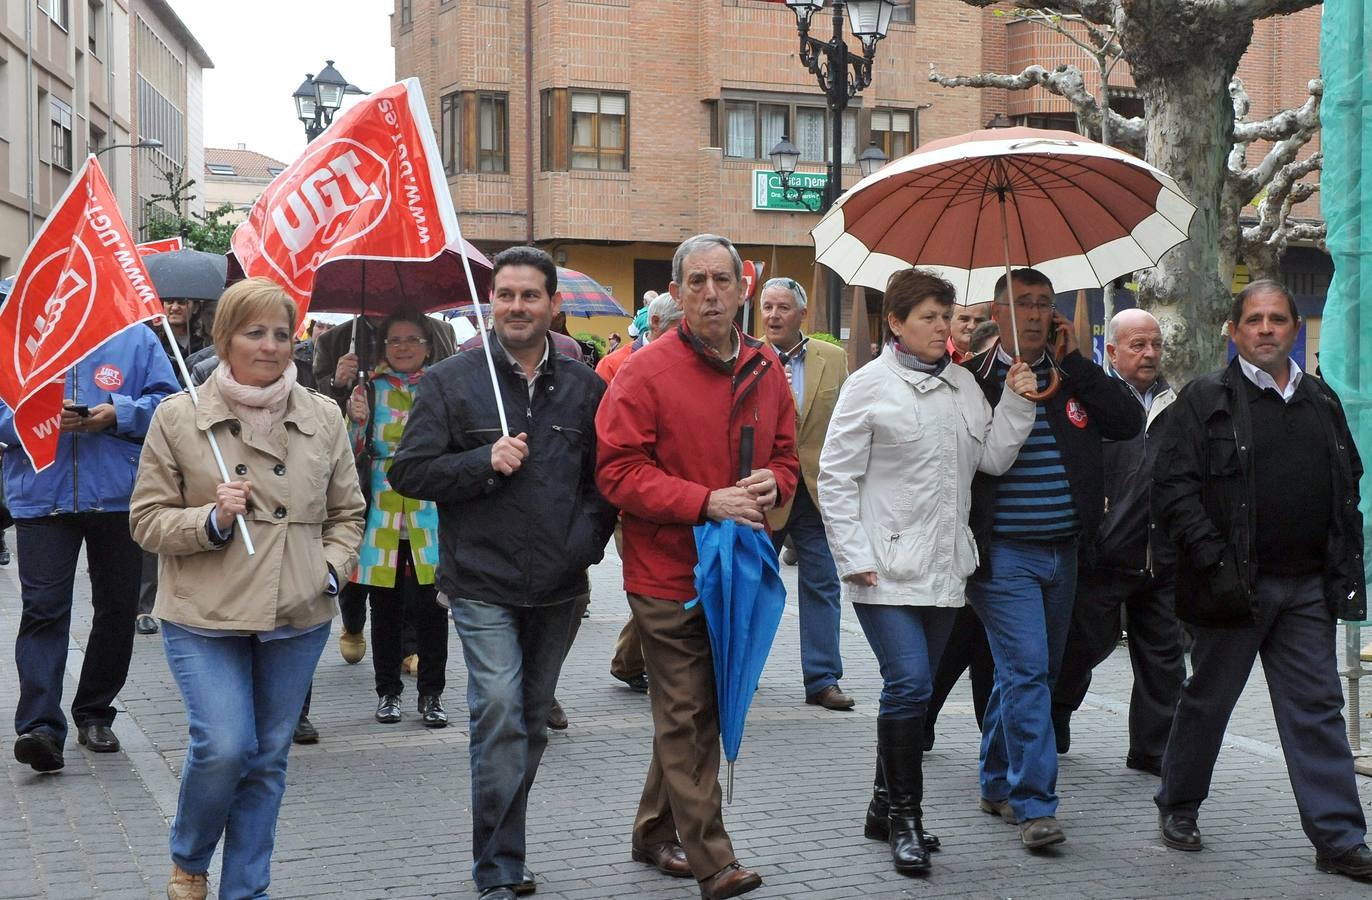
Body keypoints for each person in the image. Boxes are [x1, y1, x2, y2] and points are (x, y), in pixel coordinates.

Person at [389, 246, 615, 900]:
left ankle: (507, 845)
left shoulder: (586, 387)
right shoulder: (450, 381)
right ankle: (497, 869)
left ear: (553, 304)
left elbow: (603, 486)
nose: (517, 307)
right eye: (506, 295)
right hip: (480, 581)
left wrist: (585, 547)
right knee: (496, 711)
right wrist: (483, 462)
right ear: (492, 302)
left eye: (529, 296)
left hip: (560, 586)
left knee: (531, 721)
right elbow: (410, 472)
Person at [129, 276, 365, 899]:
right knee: (227, 744)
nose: (270, 346)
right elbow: (146, 520)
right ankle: (189, 855)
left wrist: (331, 571)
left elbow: (348, 513)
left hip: (298, 615)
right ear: (223, 338)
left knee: (266, 762)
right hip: (205, 616)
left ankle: (246, 891)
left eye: (282, 334)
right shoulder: (179, 417)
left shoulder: (324, 414)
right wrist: (212, 519)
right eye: (254, 333)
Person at [596, 233, 798, 900]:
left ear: (743, 287)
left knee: (697, 712)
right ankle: (713, 860)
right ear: (677, 293)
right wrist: (704, 501)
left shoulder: (767, 369)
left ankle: (653, 833)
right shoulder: (643, 373)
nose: (711, 294)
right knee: (686, 713)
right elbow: (618, 474)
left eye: (722, 281)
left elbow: (789, 459)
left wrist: (775, 482)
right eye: (697, 283)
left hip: (738, 571)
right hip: (666, 574)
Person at [1152, 280, 1372, 880]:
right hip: (1232, 587)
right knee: (1209, 701)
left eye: (1278, 319)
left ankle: (1339, 839)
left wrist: (1344, 567)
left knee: (1317, 709)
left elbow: (1346, 483)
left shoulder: (1322, 401)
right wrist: (1213, 561)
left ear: (1296, 328)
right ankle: (1179, 805)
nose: (1267, 329)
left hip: (1306, 588)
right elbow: (1174, 489)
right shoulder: (1204, 400)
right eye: (1254, 319)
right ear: (1233, 330)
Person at [819, 268, 1035, 875]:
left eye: (947, 316)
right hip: (881, 568)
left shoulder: (964, 384)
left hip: (946, 567)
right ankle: (906, 820)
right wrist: (852, 553)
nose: (942, 328)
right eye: (929, 318)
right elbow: (835, 477)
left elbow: (991, 458)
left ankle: (881, 802)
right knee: (910, 685)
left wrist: (1016, 398)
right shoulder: (868, 385)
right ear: (895, 323)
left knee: (914, 688)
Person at [962, 267, 1142, 849]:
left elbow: (1127, 421)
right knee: (1028, 672)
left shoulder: (1072, 381)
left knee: (1026, 674)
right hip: (1003, 556)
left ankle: (994, 780)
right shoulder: (974, 379)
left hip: (1065, 553)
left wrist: (1079, 365)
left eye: (1043, 304)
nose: (1034, 314)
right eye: (1022, 303)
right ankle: (1035, 804)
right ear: (998, 310)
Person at [3, 328, 177, 773]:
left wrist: (117, 413)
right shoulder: (19, 325)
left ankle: (95, 712)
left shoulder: (135, 335)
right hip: (43, 494)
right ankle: (40, 727)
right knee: (43, 609)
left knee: (117, 610)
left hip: (120, 496)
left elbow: (169, 406)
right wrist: (38, 417)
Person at [1051, 309, 1185, 775]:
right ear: (1111, 352)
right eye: (1137, 345)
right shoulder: (1093, 403)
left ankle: (1153, 750)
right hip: (1105, 553)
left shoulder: (1179, 403)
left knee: (1164, 658)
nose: (1149, 354)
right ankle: (1056, 713)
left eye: (1155, 345)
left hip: (1162, 553)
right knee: (1084, 645)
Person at [345, 309, 449, 728]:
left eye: (412, 340)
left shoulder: (442, 385)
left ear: (427, 346)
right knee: (383, 607)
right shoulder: (369, 389)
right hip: (382, 512)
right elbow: (349, 452)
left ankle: (432, 695)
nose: (403, 348)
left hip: (430, 511)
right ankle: (388, 692)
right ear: (384, 347)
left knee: (432, 607)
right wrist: (356, 423)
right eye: (395, 341)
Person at [760, 276, 854, 710]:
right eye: (767, 307)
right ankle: (744, 669)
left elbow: (850, 422)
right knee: (756, 583)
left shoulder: (833, 359)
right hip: (766, 492)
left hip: (818, 491)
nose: (773, 315)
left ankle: (822, 679)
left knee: (822, 583)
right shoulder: (748, 357)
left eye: (782, 307)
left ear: (801, 314)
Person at [605, 291, 683, 695]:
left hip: (678, 498)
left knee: (661, 592)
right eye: (676, 328)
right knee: (652, 591)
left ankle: (629, 660)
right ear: (656, 326)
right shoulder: (616, 364)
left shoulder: (690, 362)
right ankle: (643, 662)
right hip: (632, 498)